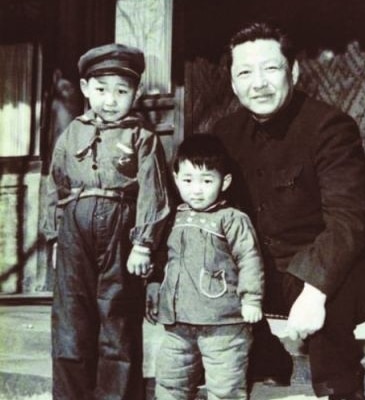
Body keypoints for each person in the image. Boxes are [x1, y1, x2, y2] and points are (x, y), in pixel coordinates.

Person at [213, 21, 365, 400]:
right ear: (233, 83)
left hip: (346, 267)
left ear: (293, 71)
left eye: (271, 68)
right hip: (268, 272)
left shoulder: (329, 126)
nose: (259, 83)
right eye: (245, 72)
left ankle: (341, 391)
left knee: (329, 299)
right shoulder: (224, 135)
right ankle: (264, 360)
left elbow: (348, 221)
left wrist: (314, 293)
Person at [44, 43, 171, 400]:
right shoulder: (71, 133)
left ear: (136, 93)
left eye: (121, 91)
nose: (110, 100)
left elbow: (153, 191)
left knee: (116, 320)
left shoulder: (143, 138)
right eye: (101, 90)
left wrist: (144, 243)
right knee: (70, 320)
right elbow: (54, 182)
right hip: (74, 230)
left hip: (121, 231)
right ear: (85, 89)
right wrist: (55, 238)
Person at [146, 134, 265, 400]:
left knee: (225, 387)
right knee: (169, 382)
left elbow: (249, 259)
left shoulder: (232, 219)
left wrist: (252, 300)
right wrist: (154, 286)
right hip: (178, 324)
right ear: (176, 179)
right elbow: (164, 258)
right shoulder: (174, 218)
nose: (196, 189)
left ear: (225, 182)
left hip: (223, 323)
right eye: (187, 180)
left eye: (206, 181)